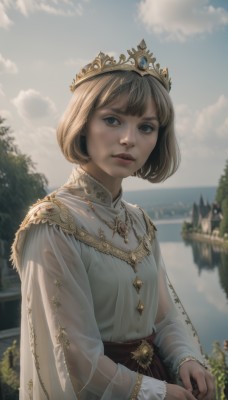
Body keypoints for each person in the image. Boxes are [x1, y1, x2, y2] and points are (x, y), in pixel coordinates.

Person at [12, 40, 215, 400]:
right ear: (82, 123)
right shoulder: (53, 224)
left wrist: (186, 359)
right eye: (112, 119)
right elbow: (74, 360)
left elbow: (165, 317)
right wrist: (161, 394)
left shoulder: (140, 222)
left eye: (147, 127)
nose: (128, 139)